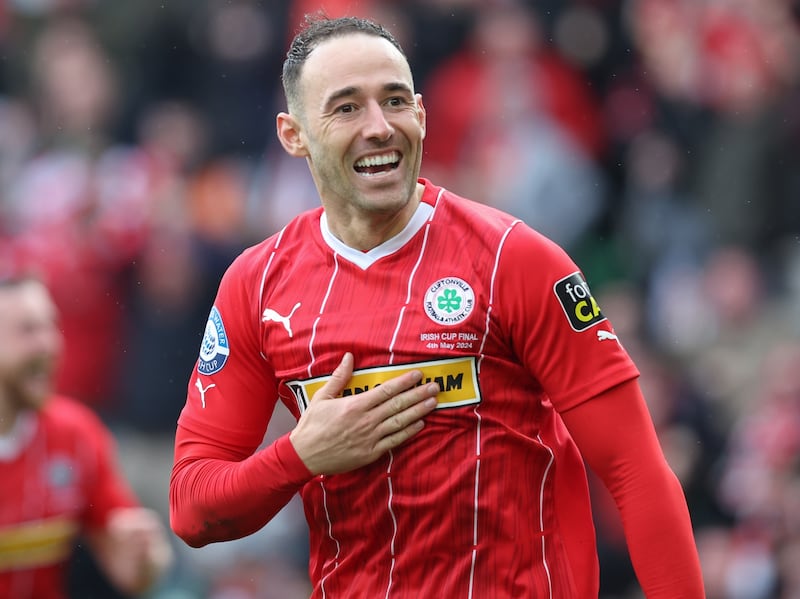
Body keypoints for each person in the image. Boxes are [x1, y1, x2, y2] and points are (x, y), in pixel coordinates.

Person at [169, 14, 706, 598]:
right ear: (293, 133)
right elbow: (192, 509)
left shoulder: (515, 260)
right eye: (347, 108)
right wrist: (301, 456)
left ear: (421, 114)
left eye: (395, 101)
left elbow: (637, 472)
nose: (379, 127)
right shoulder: (258, 285)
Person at [0, 274, 173, 598]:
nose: (50, 344)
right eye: (28, 330)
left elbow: (134, 566)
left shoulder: (75, 434)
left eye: (51, 326)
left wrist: (146, 559)